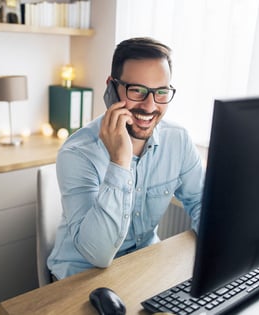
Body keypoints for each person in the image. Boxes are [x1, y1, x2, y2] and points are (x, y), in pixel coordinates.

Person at [48, 37, 204, 280]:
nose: (150, 106)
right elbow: (98, 256)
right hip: (80, 275)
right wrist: (119, 161)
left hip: (143, 266)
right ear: (111, 88)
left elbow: (202, 201)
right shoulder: (77, 152)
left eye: (161, 92)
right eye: (138, 90)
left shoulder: (178, 140)